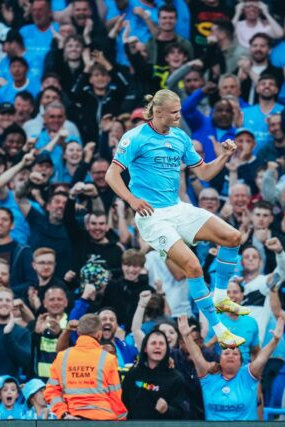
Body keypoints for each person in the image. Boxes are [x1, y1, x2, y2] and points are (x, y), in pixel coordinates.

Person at [105, 89, 248, 349]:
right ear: (157, 112)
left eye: (180, 110)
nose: (179, 115)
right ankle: (219, 328)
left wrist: (225, 157)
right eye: (174, 112)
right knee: (192, 266)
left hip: (177, 208)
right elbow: (111, 175)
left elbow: (204, 173)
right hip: (152, 216)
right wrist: (131, 200)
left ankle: (220, 295)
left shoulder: (180, 137)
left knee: (233, 237)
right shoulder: (135, 137)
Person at [178, 314, 283, 421]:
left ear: (241, 361)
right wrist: (186, 337)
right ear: (219, 359)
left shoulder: (248, 375)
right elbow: (197, 357)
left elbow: (262, 358)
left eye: (235, 354)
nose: (230, 355)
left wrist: (275, 340)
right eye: (226, 353)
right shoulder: (209, 376)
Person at [45, 313, 127, 420]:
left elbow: (51, 391)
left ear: (78, 332)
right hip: (103, 420)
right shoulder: (108, 358)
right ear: (99, 334)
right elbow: (115, 396)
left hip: (72, 418)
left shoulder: (62, 357)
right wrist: (121, 420)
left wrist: (64, 414)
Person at [121, 329, 188, 419]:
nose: (157, 347)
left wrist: (167, 410)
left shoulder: (176, 378)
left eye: (161, 344)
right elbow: (122, 405)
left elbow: (183, 414)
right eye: (153, 343)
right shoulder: (132, 375)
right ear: (145, 348)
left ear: (166, 349)